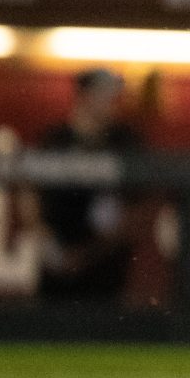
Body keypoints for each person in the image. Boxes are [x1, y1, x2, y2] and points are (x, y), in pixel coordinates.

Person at [33, 69, 139, 301]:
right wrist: (46, 241)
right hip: (57, 260)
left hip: (104, 264)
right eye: (103, 93)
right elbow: (30, 195)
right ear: (83, 95)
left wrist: (89, 254)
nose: (111, 101)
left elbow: (136, 209)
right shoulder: (56, 139)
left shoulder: (124, 141)